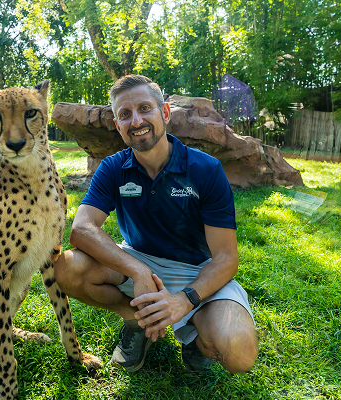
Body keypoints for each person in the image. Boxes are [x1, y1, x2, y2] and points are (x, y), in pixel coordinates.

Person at [54, 75, 258, 374]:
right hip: (140, 259)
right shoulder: (113, 167)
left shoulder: (205, 169)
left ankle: (195, 335)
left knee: (239, 354)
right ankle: (137, 321)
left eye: (144, 108)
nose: (136, 120)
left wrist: (184, 300)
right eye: (125, 114)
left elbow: (226, 258)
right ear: (117, 124)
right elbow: (81, 230)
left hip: (198, 270)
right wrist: (138, 270)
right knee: (67, 268)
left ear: (164, 113)